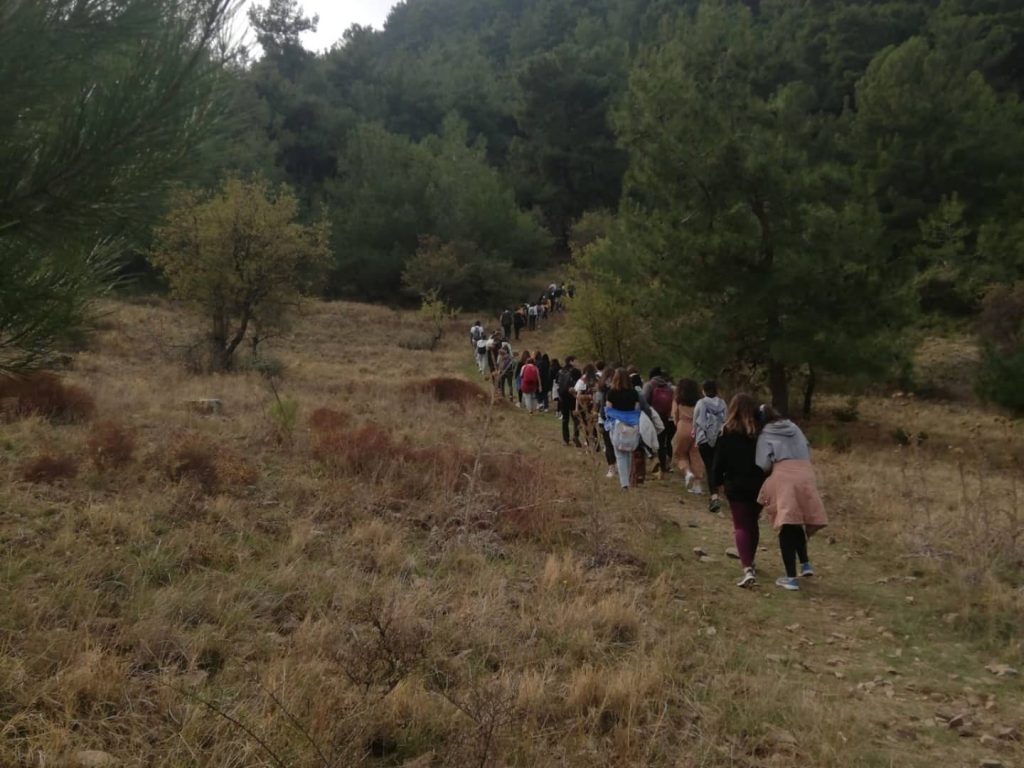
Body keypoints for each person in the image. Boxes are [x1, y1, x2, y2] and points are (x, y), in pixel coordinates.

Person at [756, 406, 827, 591]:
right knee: (798, 520)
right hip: (806, 473)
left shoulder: (765, 434)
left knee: (786, 523)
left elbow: (763, 464)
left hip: (785, 477)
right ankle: (805, 564)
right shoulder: (794, 428)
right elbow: (807, 447)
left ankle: (790, 578)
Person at [712, 394, 766, 588]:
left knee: (741, 526)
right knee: (752, 523)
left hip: (736, 484)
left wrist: (715, 486)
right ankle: (750, 559)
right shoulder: (760, 433)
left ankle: (747, 568)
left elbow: (718, 462)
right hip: (759, 484)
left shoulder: (726, 432)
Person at [604, 367, 642, 489]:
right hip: (632, 425)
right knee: (629, 453)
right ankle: (628, 480)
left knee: (619, 454)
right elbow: (636, 409)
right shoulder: (634, 393)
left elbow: (608, 410)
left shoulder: (611, 393)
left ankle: (624, 483)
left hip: (617, 425)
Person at [693, 379, 727, 513]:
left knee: (709, 467)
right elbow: (726, 420)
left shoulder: (701, 403)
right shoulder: (723, 403)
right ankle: (721, 492)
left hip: (704, 439)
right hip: (720, 438)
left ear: (704, 390)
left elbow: (697, 421)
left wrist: (695, 435)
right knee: (718, 466)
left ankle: (714, 497)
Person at [672, 378, 705, 494]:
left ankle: (687, 472)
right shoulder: (701, 401)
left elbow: (674, 415)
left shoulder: (678, 400)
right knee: (696, 455)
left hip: (683, 426)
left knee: (680, 453)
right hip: (698, 429)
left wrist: (678, 425)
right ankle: (697, 484)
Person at [643, 367, 676, 475]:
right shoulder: (668, 387)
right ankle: (663, 466)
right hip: (665, 418)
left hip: (651, 417)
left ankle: (653, 462)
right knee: (662, 443)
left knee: (648, 441)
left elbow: (644, 401)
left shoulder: (649, 385)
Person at [557, 356, 582, 446]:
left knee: (565, 419)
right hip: (573, 397)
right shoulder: (576, 371)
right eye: (575, 360)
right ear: (571, 361)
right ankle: (576, 436)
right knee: (576, 418)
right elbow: (580, 385)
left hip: (562, 397)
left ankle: (565, 439)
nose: (577, 362)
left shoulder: (560, 371)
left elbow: (558, 383)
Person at [574, 363, 599, 449]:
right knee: (593, 424)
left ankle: (588, 442)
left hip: (583, 404)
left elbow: (578, 394)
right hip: (594, 404)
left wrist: (576, 408)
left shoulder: (582, 380)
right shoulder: (596, 379)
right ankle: (596, 444)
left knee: (586, 424)